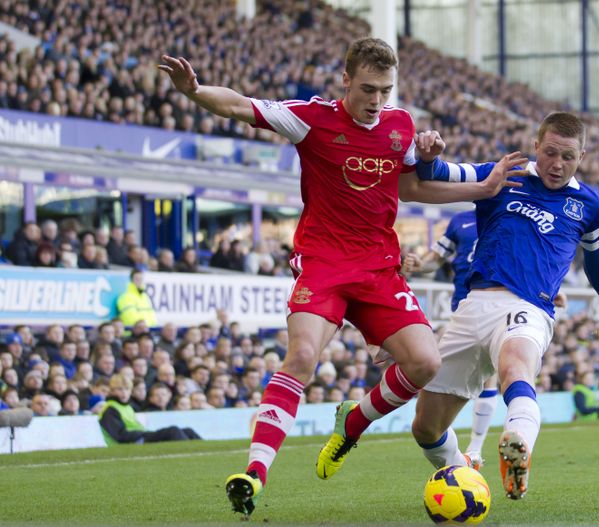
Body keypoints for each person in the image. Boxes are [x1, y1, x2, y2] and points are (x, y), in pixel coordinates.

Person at [159, 37, 519, 518]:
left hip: (378, 267)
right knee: (302, 355)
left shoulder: (401, 125)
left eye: (385, 90)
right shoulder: (312, 118)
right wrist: (195, 92)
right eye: (368, 89)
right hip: (325, 262)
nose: (377, 100)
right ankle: (254, 473)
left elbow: (410, 185)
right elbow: (241, 106)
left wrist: (482, 188)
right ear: (346, 80)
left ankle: (354, 421)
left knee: (426, 365)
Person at [409, 111, 599, 500]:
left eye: (568, 157)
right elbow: (437, 173)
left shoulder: (588, 205)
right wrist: (428, 156)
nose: (557, 164)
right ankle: (463, 475)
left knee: (515, 368)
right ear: (535, 146)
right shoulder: (502, 173)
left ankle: (517, 443)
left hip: (529, 308)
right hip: (472, 305)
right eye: (550, 153)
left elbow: (597, 260)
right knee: (425, 428)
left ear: (582, 156)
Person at [404, 211, 568, 467]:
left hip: (506, 307)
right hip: (466, 306)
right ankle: (465, 459)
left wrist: (548, 290)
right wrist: (418, 265)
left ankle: (476, 449)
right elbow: (435, 259)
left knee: (497, 373)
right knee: (433, 404)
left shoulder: (517, 212)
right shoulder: (459, 221)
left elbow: (533, 262)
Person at [99, 374, 200, 444]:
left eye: (127, 389)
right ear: (111, 391)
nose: (124, 393)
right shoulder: (110, 409)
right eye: (120, 389)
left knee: (188, 431)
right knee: (173, 431)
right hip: (134, 442)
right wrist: (144, 433)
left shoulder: (126, 406)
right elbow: (120, 436)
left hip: (140, 436)